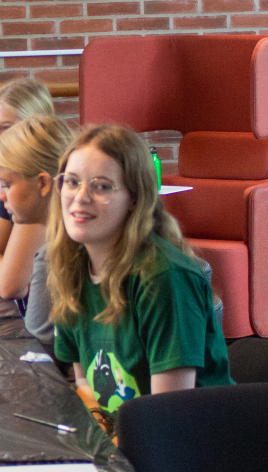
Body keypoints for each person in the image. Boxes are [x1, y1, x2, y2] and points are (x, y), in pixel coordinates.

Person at [47, 124, 231, 410]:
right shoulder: (72, 267)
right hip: (127, 432)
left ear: (134, 199)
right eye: (71, 182)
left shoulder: (164, 278)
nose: (80, 197)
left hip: (192, 433)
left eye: (101, 186)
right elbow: (85, 383)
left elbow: (169, 414)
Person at [0, 114, 75, 343]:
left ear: (43, 183)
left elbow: (41, 343)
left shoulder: (53, 255)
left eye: (6, 184)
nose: (0, 196)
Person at [0, 78, 57, 289]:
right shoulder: (9, 184)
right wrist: (18, 269)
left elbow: (11, 285)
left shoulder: (33, 182)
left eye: (6, 128)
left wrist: (16, 271)